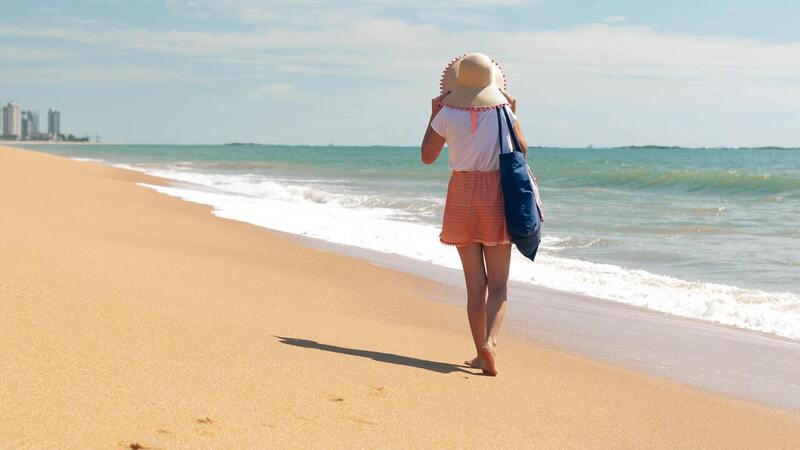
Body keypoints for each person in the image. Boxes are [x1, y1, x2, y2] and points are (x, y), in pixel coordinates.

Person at [420, 53, 528, 376]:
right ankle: (490, 345)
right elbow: (521, 149)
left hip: (462, 194)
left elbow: (427, 157)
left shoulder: (447, 115)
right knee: (498, 284)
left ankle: (479, 351)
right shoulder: (503, 112)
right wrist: (514, 114)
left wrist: (433, 115)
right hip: (496, 194)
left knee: (474, 284)